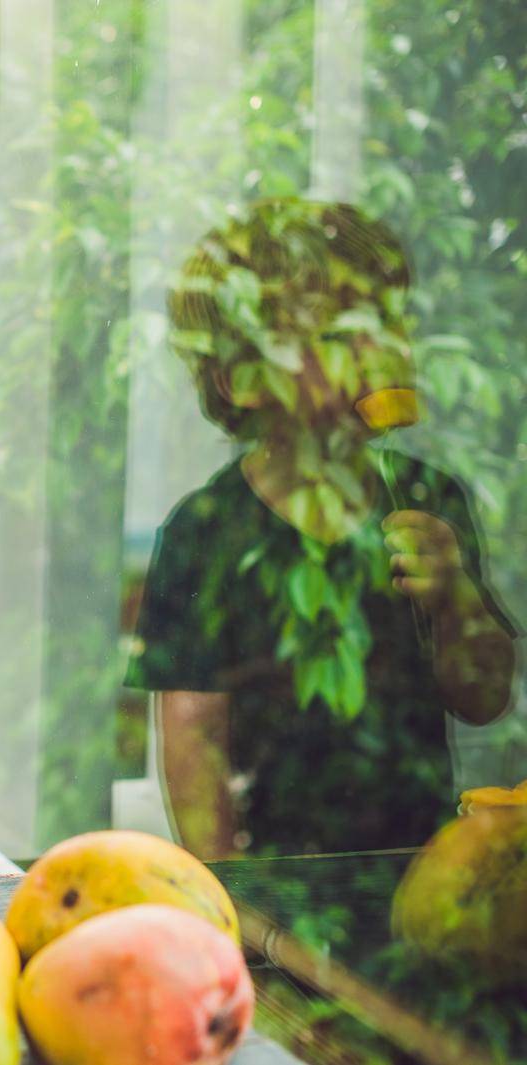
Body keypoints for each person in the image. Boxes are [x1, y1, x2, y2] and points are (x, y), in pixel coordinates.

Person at [125, 199, 517, 859]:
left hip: (422, 859)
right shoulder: (204, 530)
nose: (380, 349)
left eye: (386, 323)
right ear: (244, 382)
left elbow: (486, 699)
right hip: (277, 866)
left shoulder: (427, 499)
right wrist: (234, 893)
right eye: (340, 335)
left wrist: (454, 598)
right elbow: (192, 737)